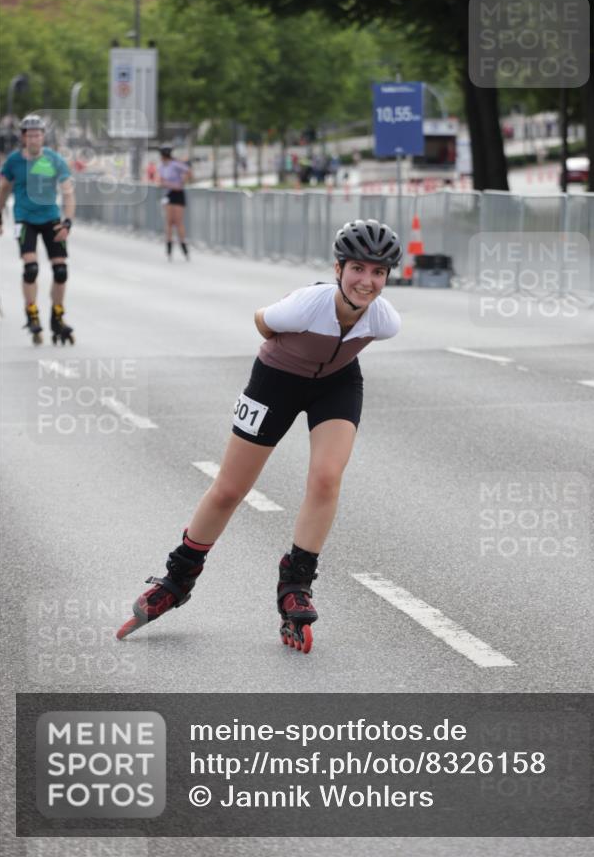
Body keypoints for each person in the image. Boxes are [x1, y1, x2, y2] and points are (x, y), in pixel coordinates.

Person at [116, 219, 403, 653]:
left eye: (378, 272)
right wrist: (290, 354)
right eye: (358, 269)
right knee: (230, 488)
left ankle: (296, 583)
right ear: (338, 269)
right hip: (275, 380)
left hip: (337, 384)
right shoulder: (306, 305)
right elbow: (262, 322)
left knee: (327, 478)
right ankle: (178, 578)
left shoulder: (385, 320)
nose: (367, 281)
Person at [0, 114, 75, 345]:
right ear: (23, 138)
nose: (34, 139)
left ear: (43, 137)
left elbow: (68, 192)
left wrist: (67, 221)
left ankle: (57, 316)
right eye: (30, 135)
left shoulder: (54, 159)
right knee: (31, 268)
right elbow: (4, 189)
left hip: (51, 218)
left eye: (37, 135)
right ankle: (32, 313)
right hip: (24, 219)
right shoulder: (14, 161)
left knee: (61, 271)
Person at [158, 145, 192, 260]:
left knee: (178, 222)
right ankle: (169, 246)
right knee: (169, 221)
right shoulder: (161, 166)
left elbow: (188, 171)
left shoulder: (175, 164)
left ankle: (183, 246)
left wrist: (181, 182)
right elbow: (161, 180)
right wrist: (167, 184)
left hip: (178, 194)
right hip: (169, 194)